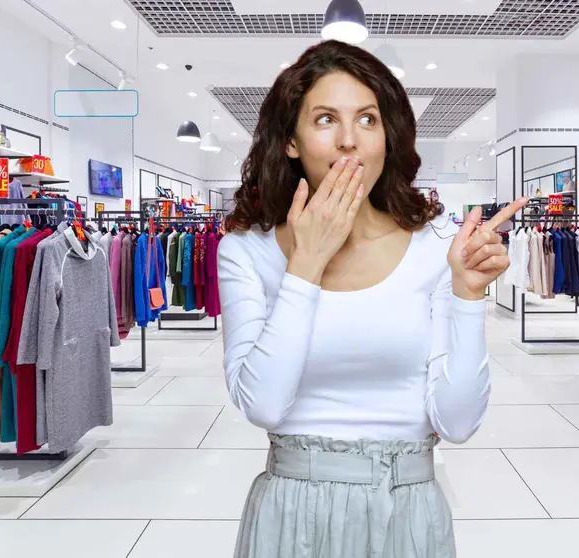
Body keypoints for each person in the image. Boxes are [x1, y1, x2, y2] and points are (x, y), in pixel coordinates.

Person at [218, 39, 527, 558]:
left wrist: (468, 297)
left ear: (388, 136)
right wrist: (306, 265)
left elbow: (457, 422)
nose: (348, 141)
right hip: (292, 510)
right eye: (323, 119)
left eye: (367, 119)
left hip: (407, 508)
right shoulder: (247, 250)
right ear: (290, 141)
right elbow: (263, 405)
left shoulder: (434, 248)